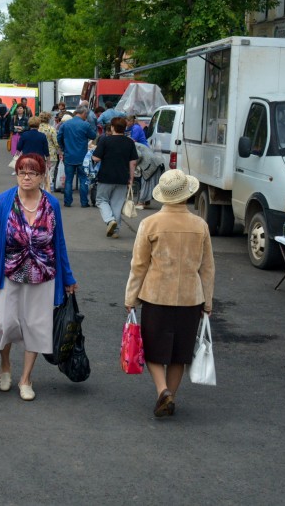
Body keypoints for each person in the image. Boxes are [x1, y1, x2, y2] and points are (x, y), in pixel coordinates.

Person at [0, 153, 78, 401]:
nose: (26, 177)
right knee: (4, 323)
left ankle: (26, 378)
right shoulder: (3, 201)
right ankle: (5, 365)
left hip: (44, 275)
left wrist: (68, 277)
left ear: (42, 176)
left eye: (32, 173)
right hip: (7, 273)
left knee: (35, 327)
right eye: (22, 172)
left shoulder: (52, 204)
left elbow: (59, 242)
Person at [125, 169, 214, 418]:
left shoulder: (150, 224)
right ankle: (170, 395)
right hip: (190, 299)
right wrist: (208, 301)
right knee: (180, 353)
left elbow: (139, 265)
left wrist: (130, 298)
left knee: (153, 350)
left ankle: (162, 391)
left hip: (156, 296)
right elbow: (207, 268)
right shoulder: (200, 225)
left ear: (163, 196)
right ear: (187, 194)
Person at [92, 117, 138, 238]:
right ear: (125, 128)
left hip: (106, 176)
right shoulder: (130, 142)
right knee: (117, 203)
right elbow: (133, 162)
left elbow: (96, 158)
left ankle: (109, 220)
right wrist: (131, 178)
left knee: (101, 200)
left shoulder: (105, 141)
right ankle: (115, 230)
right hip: (123, 177)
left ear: (112, 127)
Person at [56, 106, 96, 207]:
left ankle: (67, 202)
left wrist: (63, 148)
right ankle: (84, 202)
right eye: (86, 115)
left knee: (69, 179)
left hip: (69, 155)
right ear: (83, 113)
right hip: (82, 156)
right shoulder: (85, 124)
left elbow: (59, 137)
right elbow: (93, 136)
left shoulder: (65, 124)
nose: (86, 117)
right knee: (83, 179)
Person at [134, 141, 165, 209]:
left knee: (146, 182)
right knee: (151, 183)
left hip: (150, 165)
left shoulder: (132, 145)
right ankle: (147, 201)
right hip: (155, 163)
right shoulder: (137, 144)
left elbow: (138, 155)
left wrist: (134, 165)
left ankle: (141, 203)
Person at [38, 111, 61, 191]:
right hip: (51, 154)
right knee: (50, 174)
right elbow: (56, 143)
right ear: (49, 119)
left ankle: (40, 189)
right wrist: (60, 152)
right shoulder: (51, 129)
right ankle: (48, 191)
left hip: (39, 153)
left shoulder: (37, 129)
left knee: (40, 173)